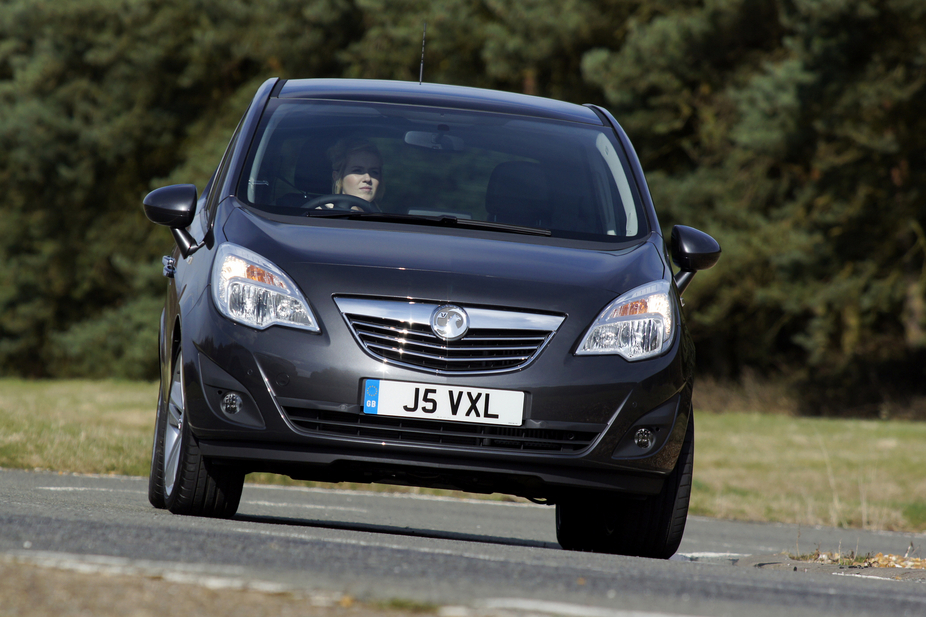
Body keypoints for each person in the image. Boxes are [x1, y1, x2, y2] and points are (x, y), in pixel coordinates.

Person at [326, 137, 384, 208]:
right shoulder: (319, 215)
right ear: (337, 176)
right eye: (358, 171)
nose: (368, 178)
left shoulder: (388, 217)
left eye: (374, 172)